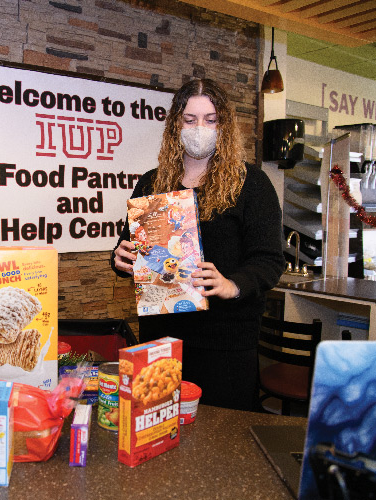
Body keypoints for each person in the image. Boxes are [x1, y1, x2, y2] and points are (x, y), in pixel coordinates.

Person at [111, 79, 284, 411]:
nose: (199, 128)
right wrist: (120, 259)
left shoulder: (252, 184)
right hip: (161, 337)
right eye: (189, 119)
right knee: (156, 430)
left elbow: (269, 260)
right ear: (176, 124)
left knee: (222, 446)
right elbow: (129, 245)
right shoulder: (151, 181)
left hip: (226, 341)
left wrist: (232, 284)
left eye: (210, 119)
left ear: (224, 125)